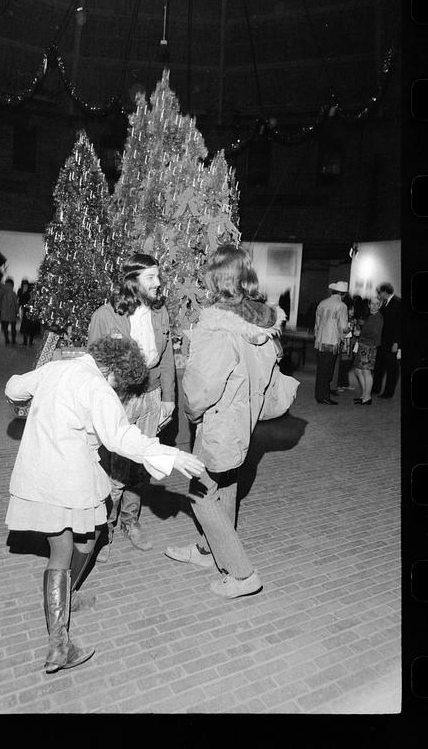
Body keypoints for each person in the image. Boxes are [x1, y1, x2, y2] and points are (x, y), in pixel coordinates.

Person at [3, 336, 205, 673]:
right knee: (68, 547)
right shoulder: (97, 387)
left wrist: (30, 388)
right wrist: (171, 455)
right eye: (120, 381)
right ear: (112, 368)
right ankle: (59, 646)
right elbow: (121, 437)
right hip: (68, 478)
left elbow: (13, 388)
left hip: (37, 474)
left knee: (84, 538)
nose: (119, 388)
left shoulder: (57, 368)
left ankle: (67, 598)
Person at [165, 245, 281, 599]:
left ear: (216, 278)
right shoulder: (259, 318)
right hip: (242, 419)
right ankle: (207, 551)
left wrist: (191, 414)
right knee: (225, 485)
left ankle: (242, 573)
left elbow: (200, 388)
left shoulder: (217, 324)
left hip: (217, 421)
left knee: (201, 495)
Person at [87, 253, 176, 561]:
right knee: (113, 466)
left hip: (151, 395)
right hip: (119, 399)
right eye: (151, 277)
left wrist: (168, 397)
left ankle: (130, 521)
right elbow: (94, 365)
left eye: (158, 276)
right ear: (133, 281)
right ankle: (105, 529)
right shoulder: (105, 315)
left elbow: (166, 358)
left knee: (140, 462)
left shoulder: (159, 311)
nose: (158, 282)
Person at [313, 281, 350, 404]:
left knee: (321, 370)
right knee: (328, 371)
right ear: (343, 294)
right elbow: (344, 327)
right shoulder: (342, 306)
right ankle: (324, 397)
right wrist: (348, 330)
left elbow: (317, 324)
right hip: (332, 341)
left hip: (320, 340)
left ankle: (320, 395)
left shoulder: (322, 303)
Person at [373, 282, 402, 399]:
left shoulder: (398, 302)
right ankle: (376, 388)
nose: (378, 294)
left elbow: (400, 325)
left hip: (392, 342)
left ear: (385, 292)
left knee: (392, 368)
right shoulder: (385, 302)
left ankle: (388, 392)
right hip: (382, 341)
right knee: (379, 365)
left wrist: (397, 343)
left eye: (379, 292)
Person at [352, 297, 384, 405]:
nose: (374, 306)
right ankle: (364, 395)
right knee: (358, 370)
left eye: (377, 304)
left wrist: (360, 333)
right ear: (369, 305)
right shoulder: (371, 316)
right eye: (372, 304)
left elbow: (374, 334)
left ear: (380, 306)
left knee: (366, 371)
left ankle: (367, 397)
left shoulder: (378, 318)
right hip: (363, 345)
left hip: (369, 347)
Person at [0, 277, 19, 345]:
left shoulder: (1, 290)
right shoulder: (13, 293)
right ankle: (13, 340)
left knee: (5, 327)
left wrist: (1, 306)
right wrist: (17, 312)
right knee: (13, 327)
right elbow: (16, 303)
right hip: (12, 312)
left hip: (3, 311)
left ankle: (7, 340)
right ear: (12, 284)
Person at [18, 280, 40, 347]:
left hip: (26, 313)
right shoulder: (36, 294)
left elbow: (21, 302)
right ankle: (30, 342)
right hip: (34, 314)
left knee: (25, 328)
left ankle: (25, 342)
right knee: (32, 329)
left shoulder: (26, 293)